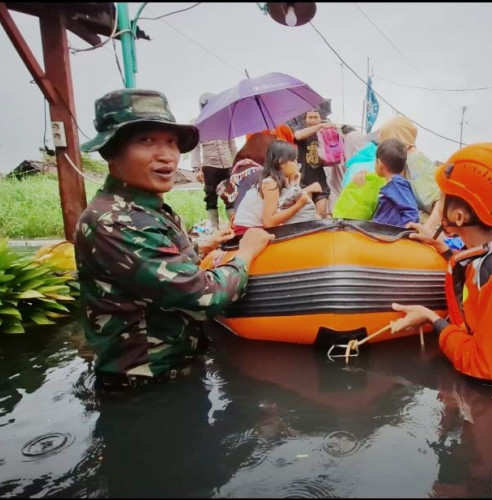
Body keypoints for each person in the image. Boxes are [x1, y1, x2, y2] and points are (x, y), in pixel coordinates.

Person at [76, 88, 274, 390]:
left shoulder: (146, 208)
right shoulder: (115, 220)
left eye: (171, 142)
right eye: (146, 141)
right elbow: (203, 297)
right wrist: (246, 253)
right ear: (110, 151)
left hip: (176, 368)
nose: (166, 155)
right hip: (145, 386)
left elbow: (151, 265)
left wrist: (197, 246)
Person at [390, 143, 492, 387]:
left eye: (442, 198)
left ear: (459, 216)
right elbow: (474, 266)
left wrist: (431, 319)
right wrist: (443, 248)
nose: (438, 204)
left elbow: (486, 370)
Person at [233, 140, 321, 234]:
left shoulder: (275, 181)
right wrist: (299, 205)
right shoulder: (271, 183)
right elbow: (269, 223)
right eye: (294, 161)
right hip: (246, 231)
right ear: (282, 163)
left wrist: (295, 182)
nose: (297, 165)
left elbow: (285, 203)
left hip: (254, 228)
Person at [377, 116, 442, 227]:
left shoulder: (414, 161)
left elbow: (440, 203)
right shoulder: (406, 162)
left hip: (424, 235)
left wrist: (427, 230)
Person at [191, 92, 238, 229]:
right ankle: (215, 230)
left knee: (230, 196)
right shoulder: (197, 123)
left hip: (227, 165)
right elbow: (195, 148)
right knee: (210, 197)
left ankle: (234, 229)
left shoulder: (226, 122)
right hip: (210, 167)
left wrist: (236, 164)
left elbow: (232, 145)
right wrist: (197, 169)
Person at [293, 108, 338, 218]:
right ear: (306, 119)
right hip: (304, 181)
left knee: (321, 215)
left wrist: (335, 130)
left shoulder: (325, 134)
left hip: (321, 180)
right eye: (310, 117)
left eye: (315, 117)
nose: (313, 120)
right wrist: (320, 126)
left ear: (320, 118)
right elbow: (297, 136)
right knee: (306, 215)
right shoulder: (303, 133)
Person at [370, 138, 419, 227]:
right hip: (382, 233)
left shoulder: (397, 183)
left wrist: (400, 232)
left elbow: (412, 212)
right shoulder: (392, 185)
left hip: (391, 236)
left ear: (379, 163)